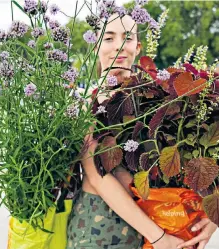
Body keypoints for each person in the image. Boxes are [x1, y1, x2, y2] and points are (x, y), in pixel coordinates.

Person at [66, 13, 217, 249]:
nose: (118, 46)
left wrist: (212, 217)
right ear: (95, 46)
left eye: (127, 38)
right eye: (108, 38)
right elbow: (98, 177)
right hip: (103, 229)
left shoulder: (162, 97)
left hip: (169, 221)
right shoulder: (86, 105)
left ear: (138, 47)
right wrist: (159, 238)